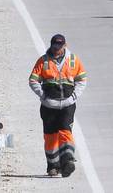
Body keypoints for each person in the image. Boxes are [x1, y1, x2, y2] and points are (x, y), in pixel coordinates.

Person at [28, 34, 87, 178]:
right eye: (55, 45)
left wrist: (74, 96)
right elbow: (33, 80)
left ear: (64, 45)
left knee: (65, 131)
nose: (57, 48)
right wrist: (43, 96)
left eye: (59, 46)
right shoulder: (43, 61)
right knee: (50, 136)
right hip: (49, 105)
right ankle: (53, 166)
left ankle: (67, 161)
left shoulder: (73, 60)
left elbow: (82, 79)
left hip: (67, 104)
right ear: (51, 45)